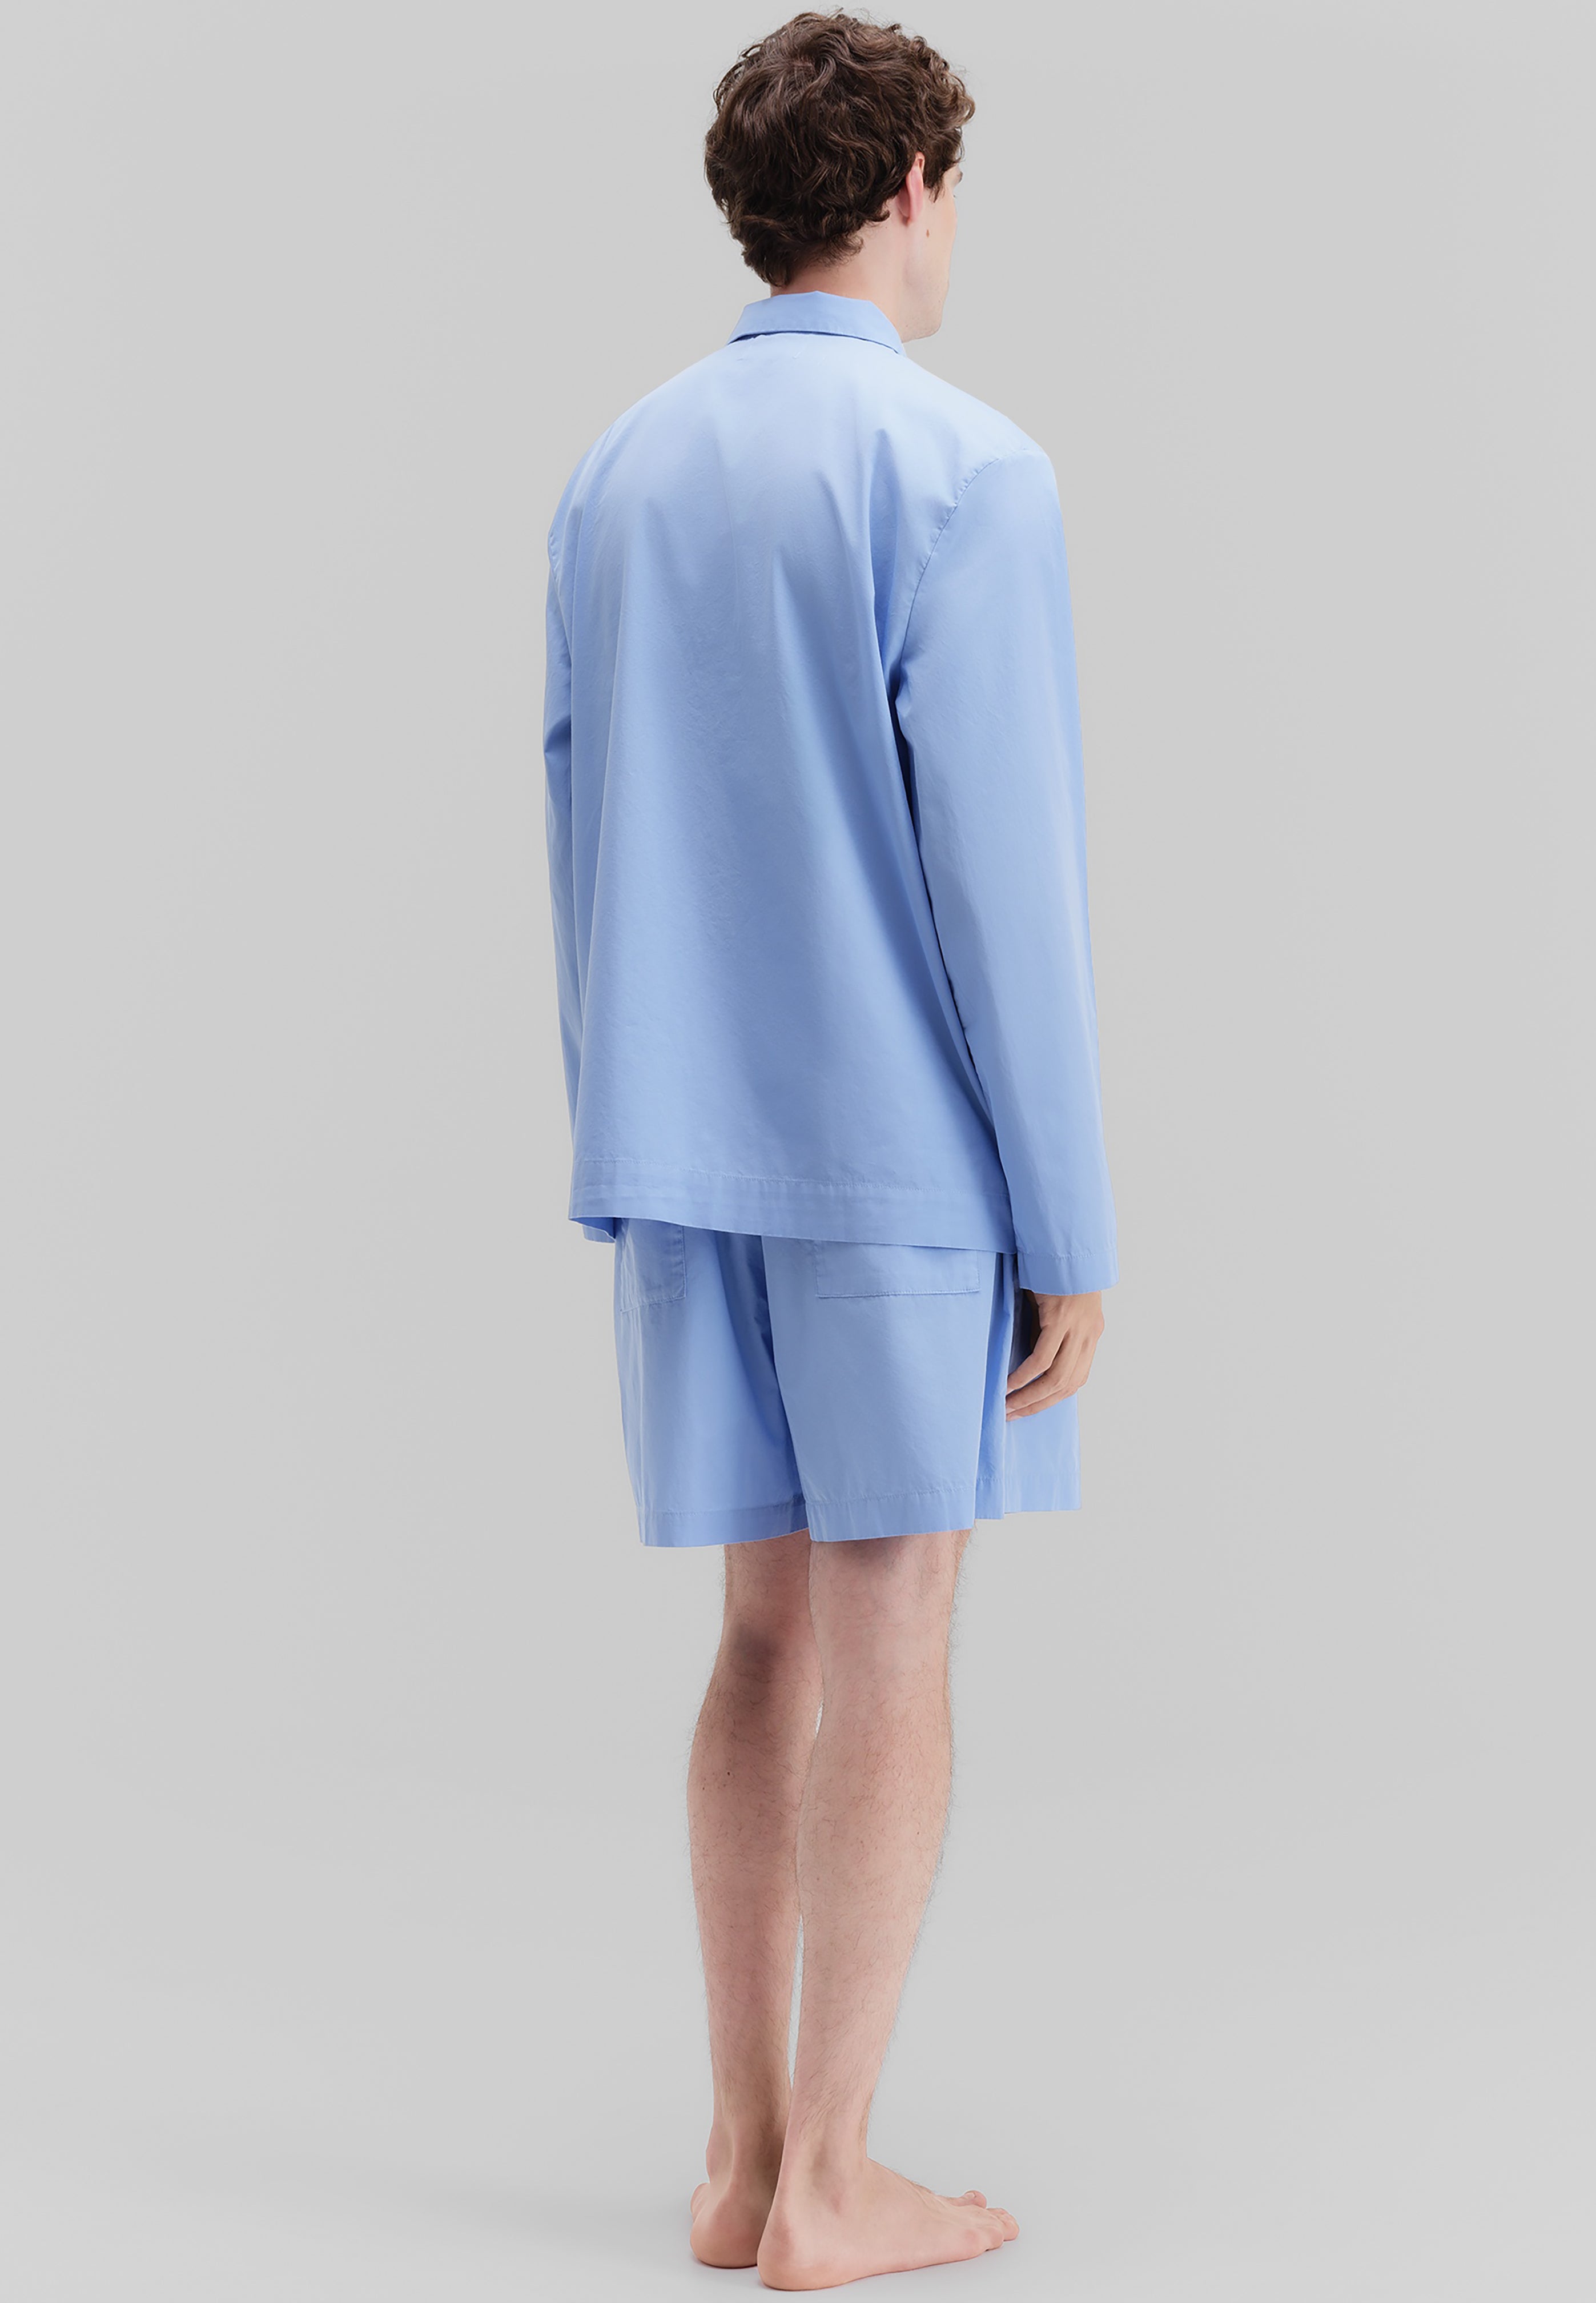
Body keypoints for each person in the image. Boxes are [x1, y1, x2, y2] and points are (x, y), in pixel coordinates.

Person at [541, 12, 1116, 2288]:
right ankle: (834, 2186)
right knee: (894, 1630)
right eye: (953, 193)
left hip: (680, 1142)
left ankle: (738, 2154)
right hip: (898, 1160)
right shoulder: (966, 469)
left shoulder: (619, 469)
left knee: (759, 1633)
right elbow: (1008, 881)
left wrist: (622, 1125)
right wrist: (1070, 1222)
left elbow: (579, 815)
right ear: (905, 191)